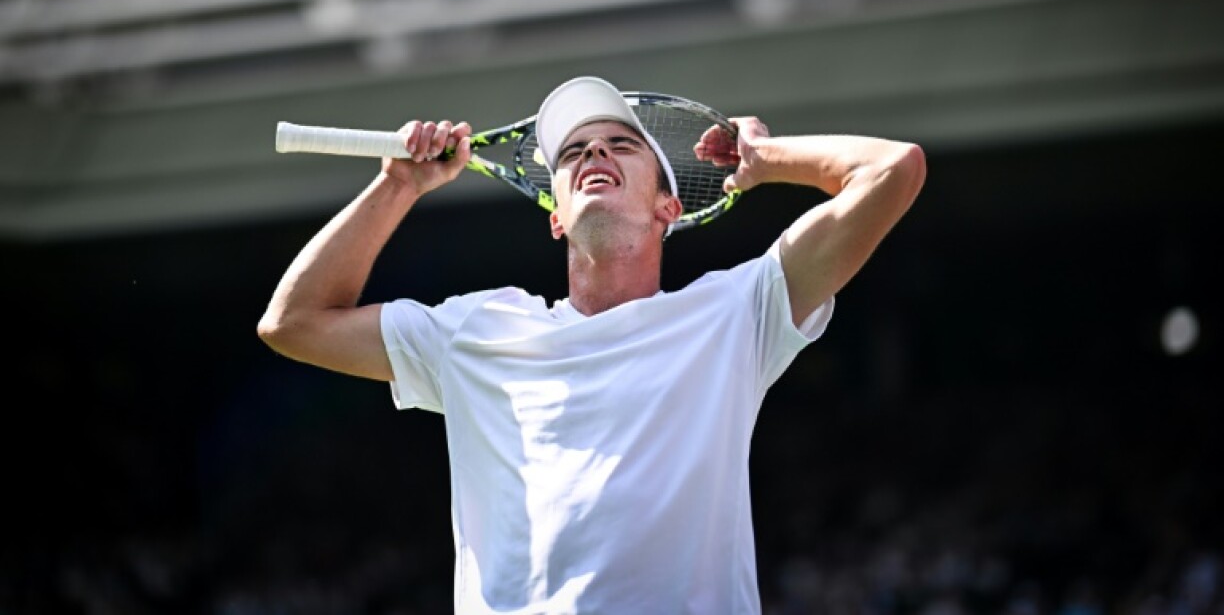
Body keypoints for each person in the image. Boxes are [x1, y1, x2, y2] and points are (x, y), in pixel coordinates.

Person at [257, 76, 926, 614]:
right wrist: (395, 186)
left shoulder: (735, 311)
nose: (594, 154)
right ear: (556, 216)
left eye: (620, 145)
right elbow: (293, 322)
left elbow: (894, 169)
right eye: (574, 152)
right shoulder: (475, 331)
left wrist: (770, 159)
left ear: (671, 207)